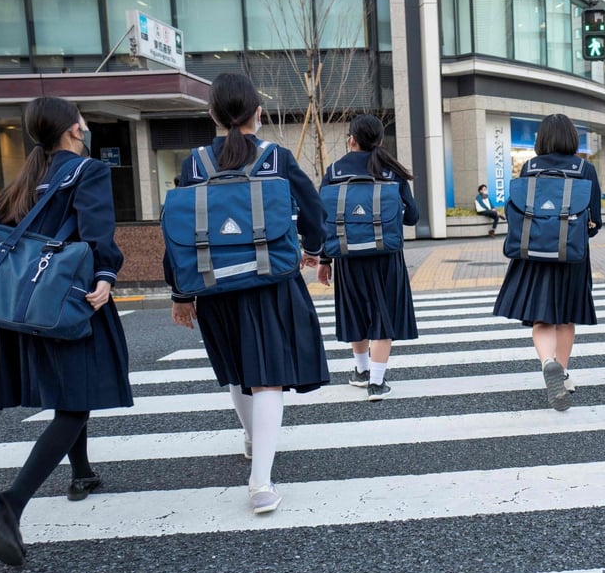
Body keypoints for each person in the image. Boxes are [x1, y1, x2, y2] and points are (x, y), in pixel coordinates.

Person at [0, 97, 133, 566]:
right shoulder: (87, 170)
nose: (85, 125)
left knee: (69, 392)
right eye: (82, 119)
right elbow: (97, 231)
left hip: (25, 309)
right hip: (68, 300)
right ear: (73, 129)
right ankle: (9, 503)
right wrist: (106, 275)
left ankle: (81, 472)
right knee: (77, 400)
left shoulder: (29, 176)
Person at [166, 72, 330, 514]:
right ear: (258, 113)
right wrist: (314, 251)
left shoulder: (195, 164)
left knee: (238, 372)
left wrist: (181, 294)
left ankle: (254, 440)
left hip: (213, 284)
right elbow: (313, 210)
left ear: (212, 115)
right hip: (271, 281)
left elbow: (178, 232)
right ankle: (260, 484)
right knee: (268, 376)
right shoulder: (275, 157)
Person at [493, 114, 603, 411]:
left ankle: (547, 363)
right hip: (571, 255)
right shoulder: (585, 169)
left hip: (534, 254)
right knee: (566, 317)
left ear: (541, 139)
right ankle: (562, 373)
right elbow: (595, 221)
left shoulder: (529, 168)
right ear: (572, 138)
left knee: (542, 317)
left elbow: (517, 212)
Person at [317, 114, 419, 401]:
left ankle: (361, 371)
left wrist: (324, 260)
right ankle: (377, 382)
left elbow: (324, 219)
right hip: (386, 256)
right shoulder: (392, 171)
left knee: (356, 312)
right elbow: (412, 216)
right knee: (382, 314)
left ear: (351, 140)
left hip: (347, 257)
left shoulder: (334, 171)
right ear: (381, 141)